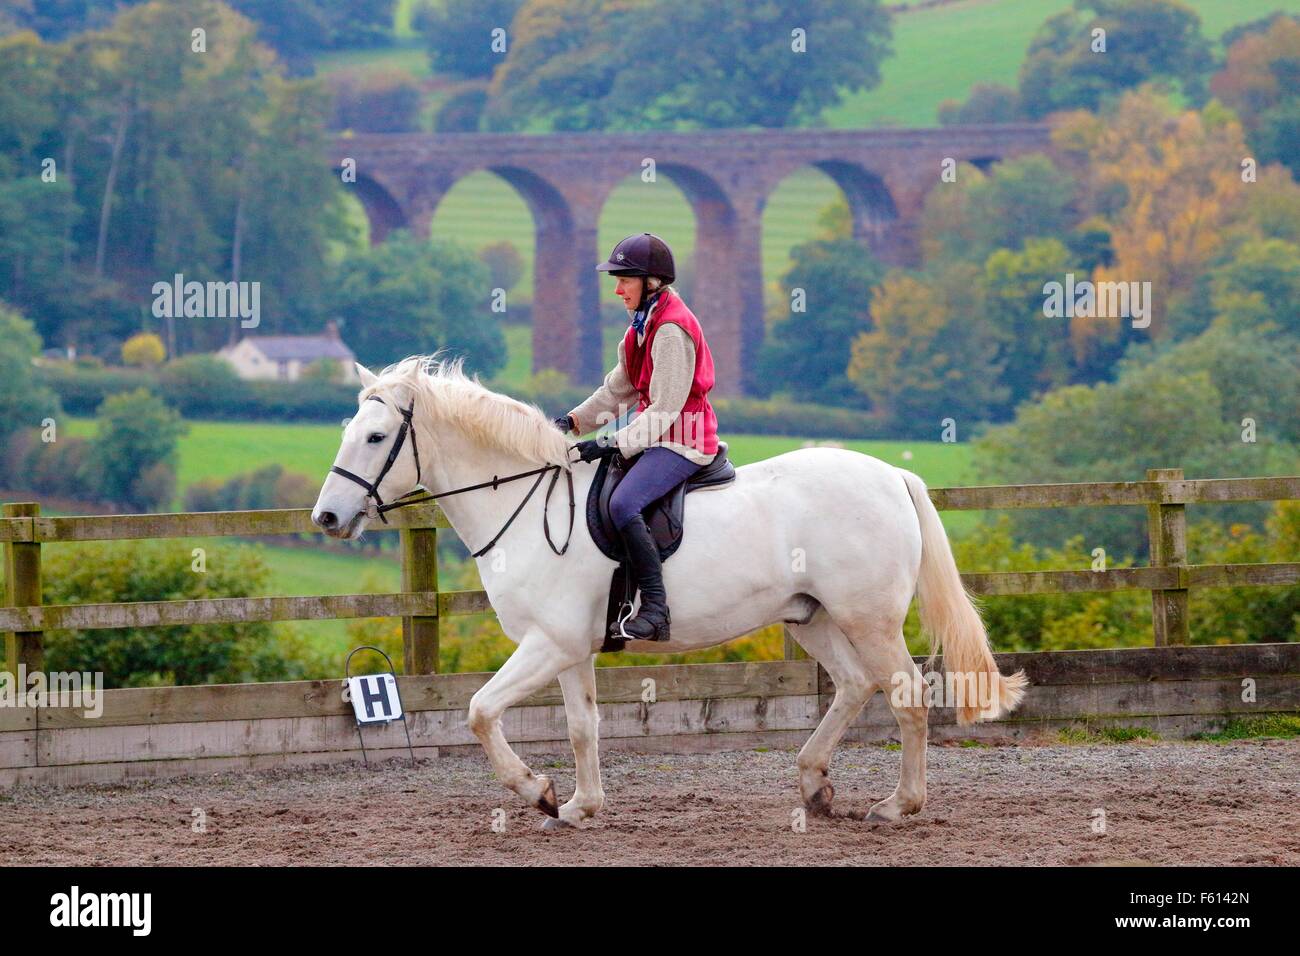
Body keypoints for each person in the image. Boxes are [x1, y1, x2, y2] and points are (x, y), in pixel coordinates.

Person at [553, 233, 720, 642]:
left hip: (683, 440)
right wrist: (571, 423)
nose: (616, 289)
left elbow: (664, 410)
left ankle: (656, 608)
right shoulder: (640, 328)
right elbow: (616, 392)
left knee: (624, 502)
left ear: (651, 281)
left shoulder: (670, 330)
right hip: (655, 436)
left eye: (624, 280)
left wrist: (609, 443)